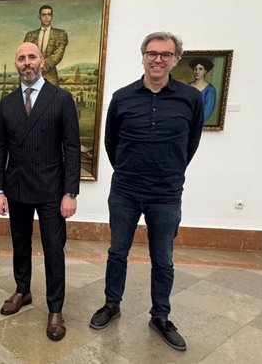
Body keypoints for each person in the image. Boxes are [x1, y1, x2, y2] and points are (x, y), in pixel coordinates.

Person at [89, 32, 203, 351]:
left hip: (166, 194)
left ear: (176, 59)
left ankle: (161, 316)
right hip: (125, 190)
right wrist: (129, 168)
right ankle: (112, 304)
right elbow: (111, 142)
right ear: (142, 57)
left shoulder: (190, 99)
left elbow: (190, 144)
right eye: (152, 53)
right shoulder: (122, 97)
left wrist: (168, 169)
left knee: (163, 259)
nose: (158, 59)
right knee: (117, 252)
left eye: (165, 55)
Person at [0, 42, 80, 341]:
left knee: (54, 249)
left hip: (52, 189)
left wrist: (71, 192)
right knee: (20, 243)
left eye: (31, 57)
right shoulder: (7, 103)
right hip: (16, 186)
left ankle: (55, 308)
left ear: (41, 61)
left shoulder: (61, 99)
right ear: (16, 64)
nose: (27, 63)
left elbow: (71, 148)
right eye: (21, 58)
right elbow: (0, 147)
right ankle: (23, 290)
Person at [24, 5, 69, 86]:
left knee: (51, 98)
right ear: (39, 17)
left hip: (50, 77)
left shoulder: (60, 34)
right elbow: (26, 53)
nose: (46, 17)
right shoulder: (31, 35)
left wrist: (40, 68)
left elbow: (57, 55)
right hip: (31, 76)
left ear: (52, 16)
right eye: (44, 15)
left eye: (49, 14)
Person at [187, 57, 217, 121]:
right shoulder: (187, 87)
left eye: (200, 69)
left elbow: (207, 111)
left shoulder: (210, 90)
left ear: (205, 71)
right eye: (195, 69)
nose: (197, 72)